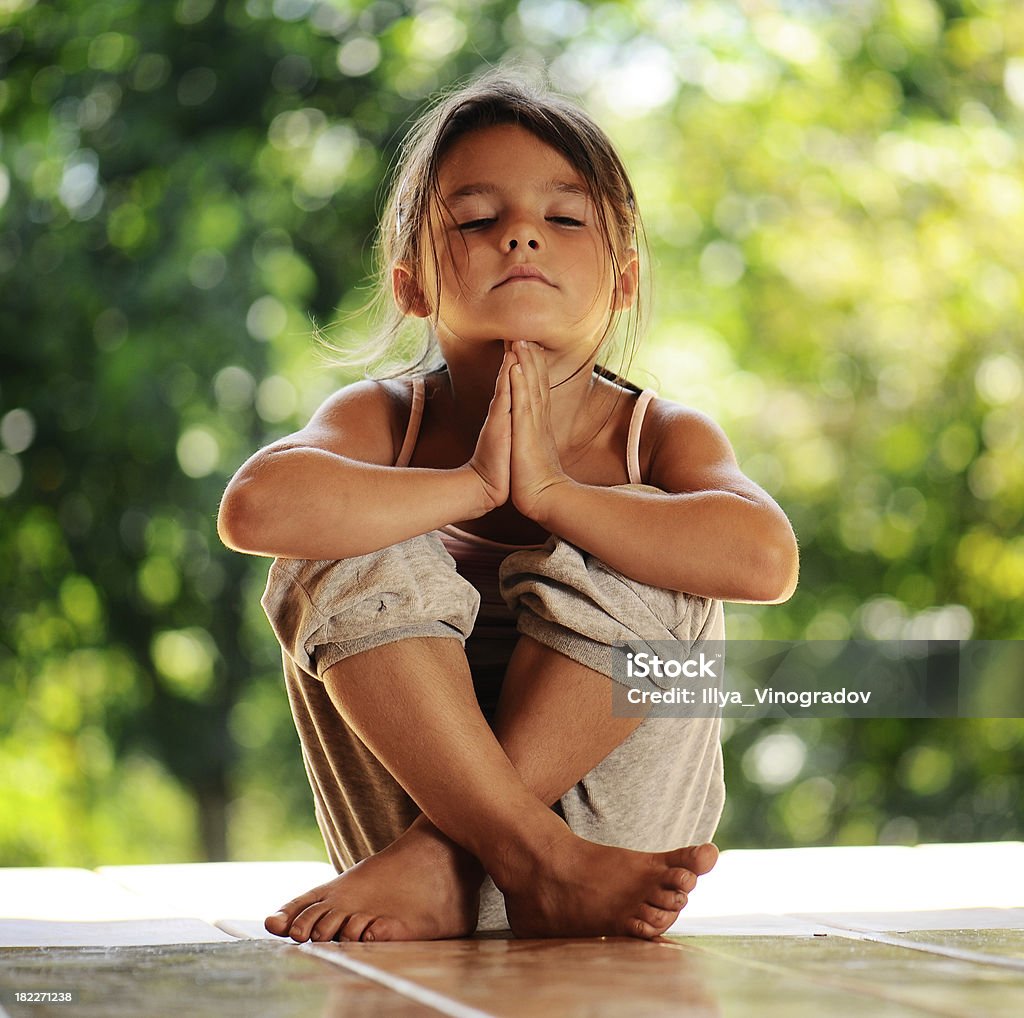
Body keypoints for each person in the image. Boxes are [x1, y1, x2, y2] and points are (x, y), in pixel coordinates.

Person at [217, 68, 798, 944]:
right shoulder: (383, 420)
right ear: (412, 285)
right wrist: (470, 488)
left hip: (605, 847)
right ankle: (523, 854)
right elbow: (255, 511)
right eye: (478, 220)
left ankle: (466, 856)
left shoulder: (660, 435)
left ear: (625, 280)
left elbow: (765, 561)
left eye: (564, 219)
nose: (522, 236)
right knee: (328, 529)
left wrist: (558, 497)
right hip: (412, 858)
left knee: (666, 536)